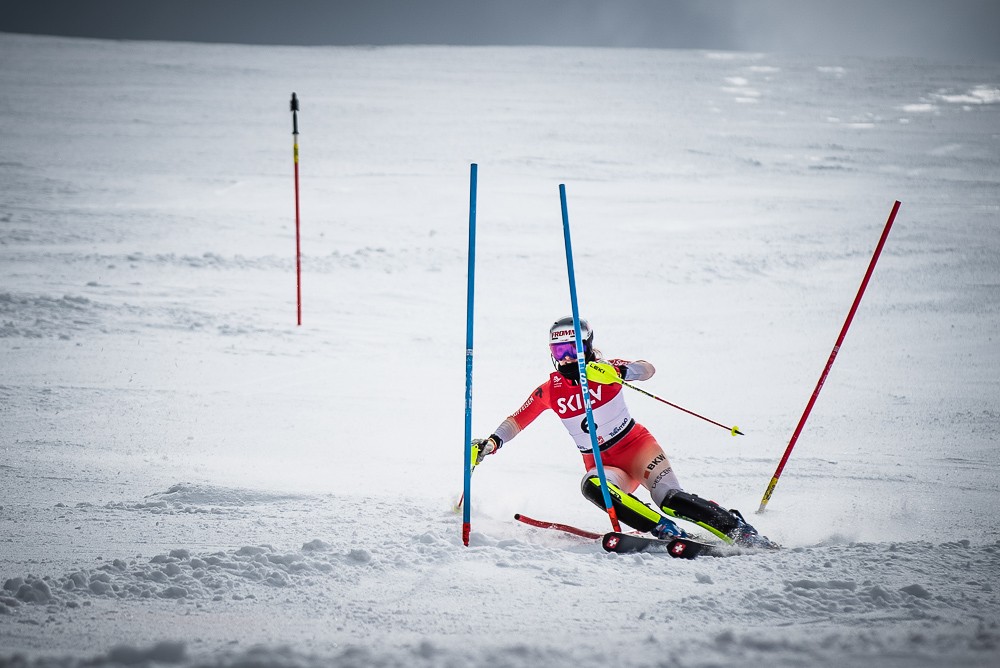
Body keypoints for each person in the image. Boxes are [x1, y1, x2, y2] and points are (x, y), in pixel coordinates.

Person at [473, 316, 776, 549]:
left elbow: (648, 369)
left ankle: (737, 528)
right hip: (603, 463)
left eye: (572, 349)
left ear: (586, 346)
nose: (565, 358)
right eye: (558, 350)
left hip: (637, 448)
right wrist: (492, 442)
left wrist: (620, 372)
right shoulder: (551, 389)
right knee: (593, 485)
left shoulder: (604, 370)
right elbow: (518, 419)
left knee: (670, 499)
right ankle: (664, 529)